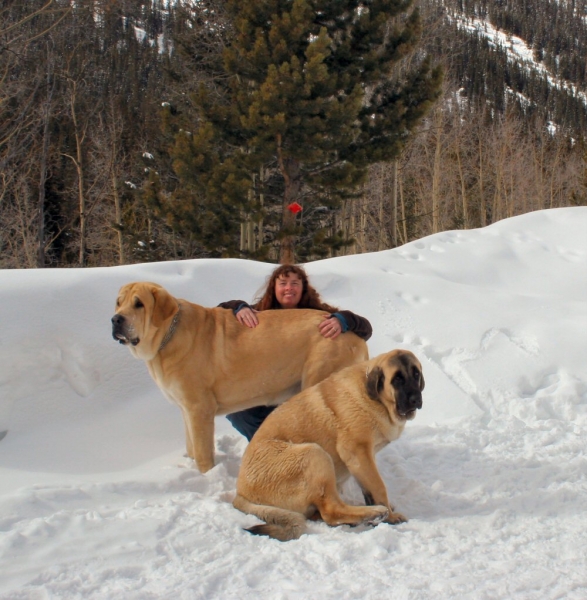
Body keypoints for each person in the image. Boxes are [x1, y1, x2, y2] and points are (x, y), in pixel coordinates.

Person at [218, 264, 372, 441]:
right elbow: (215, 316)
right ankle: (273, 447)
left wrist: (345, 319)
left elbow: (365, 330)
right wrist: (238, 307)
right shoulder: (259, 313)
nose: (289, 288)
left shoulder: (319, 316)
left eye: (295, 283)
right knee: (239, 412)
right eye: (283, 283)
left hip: (303, 391)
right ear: (273, 288)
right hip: (266, 391)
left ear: (303, 288)